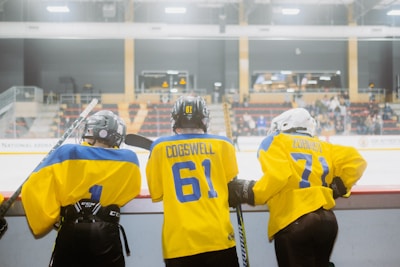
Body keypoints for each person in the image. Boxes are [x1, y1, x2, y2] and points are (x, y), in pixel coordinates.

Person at [228, 108, 367, 267]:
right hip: (327, 220)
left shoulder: (275, 140)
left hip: (295, 221)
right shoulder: (324, 146)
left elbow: (279, 176)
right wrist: (337, 188)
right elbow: (357, 161)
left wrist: (250, 192)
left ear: (284, 125)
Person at [21, 110, 142, 267]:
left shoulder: (67, 152)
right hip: (106, 234)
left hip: (71, 231)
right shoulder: (129, 159)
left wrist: (51, 216)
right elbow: (131, 191)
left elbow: (31, 187)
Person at [146, 95, 240, 267]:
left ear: (175, 120)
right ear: (204, 120)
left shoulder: (159, 147)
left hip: (179, 240)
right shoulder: (224, 145)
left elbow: (157, 192)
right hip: (218, 234)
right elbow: (228, 181)